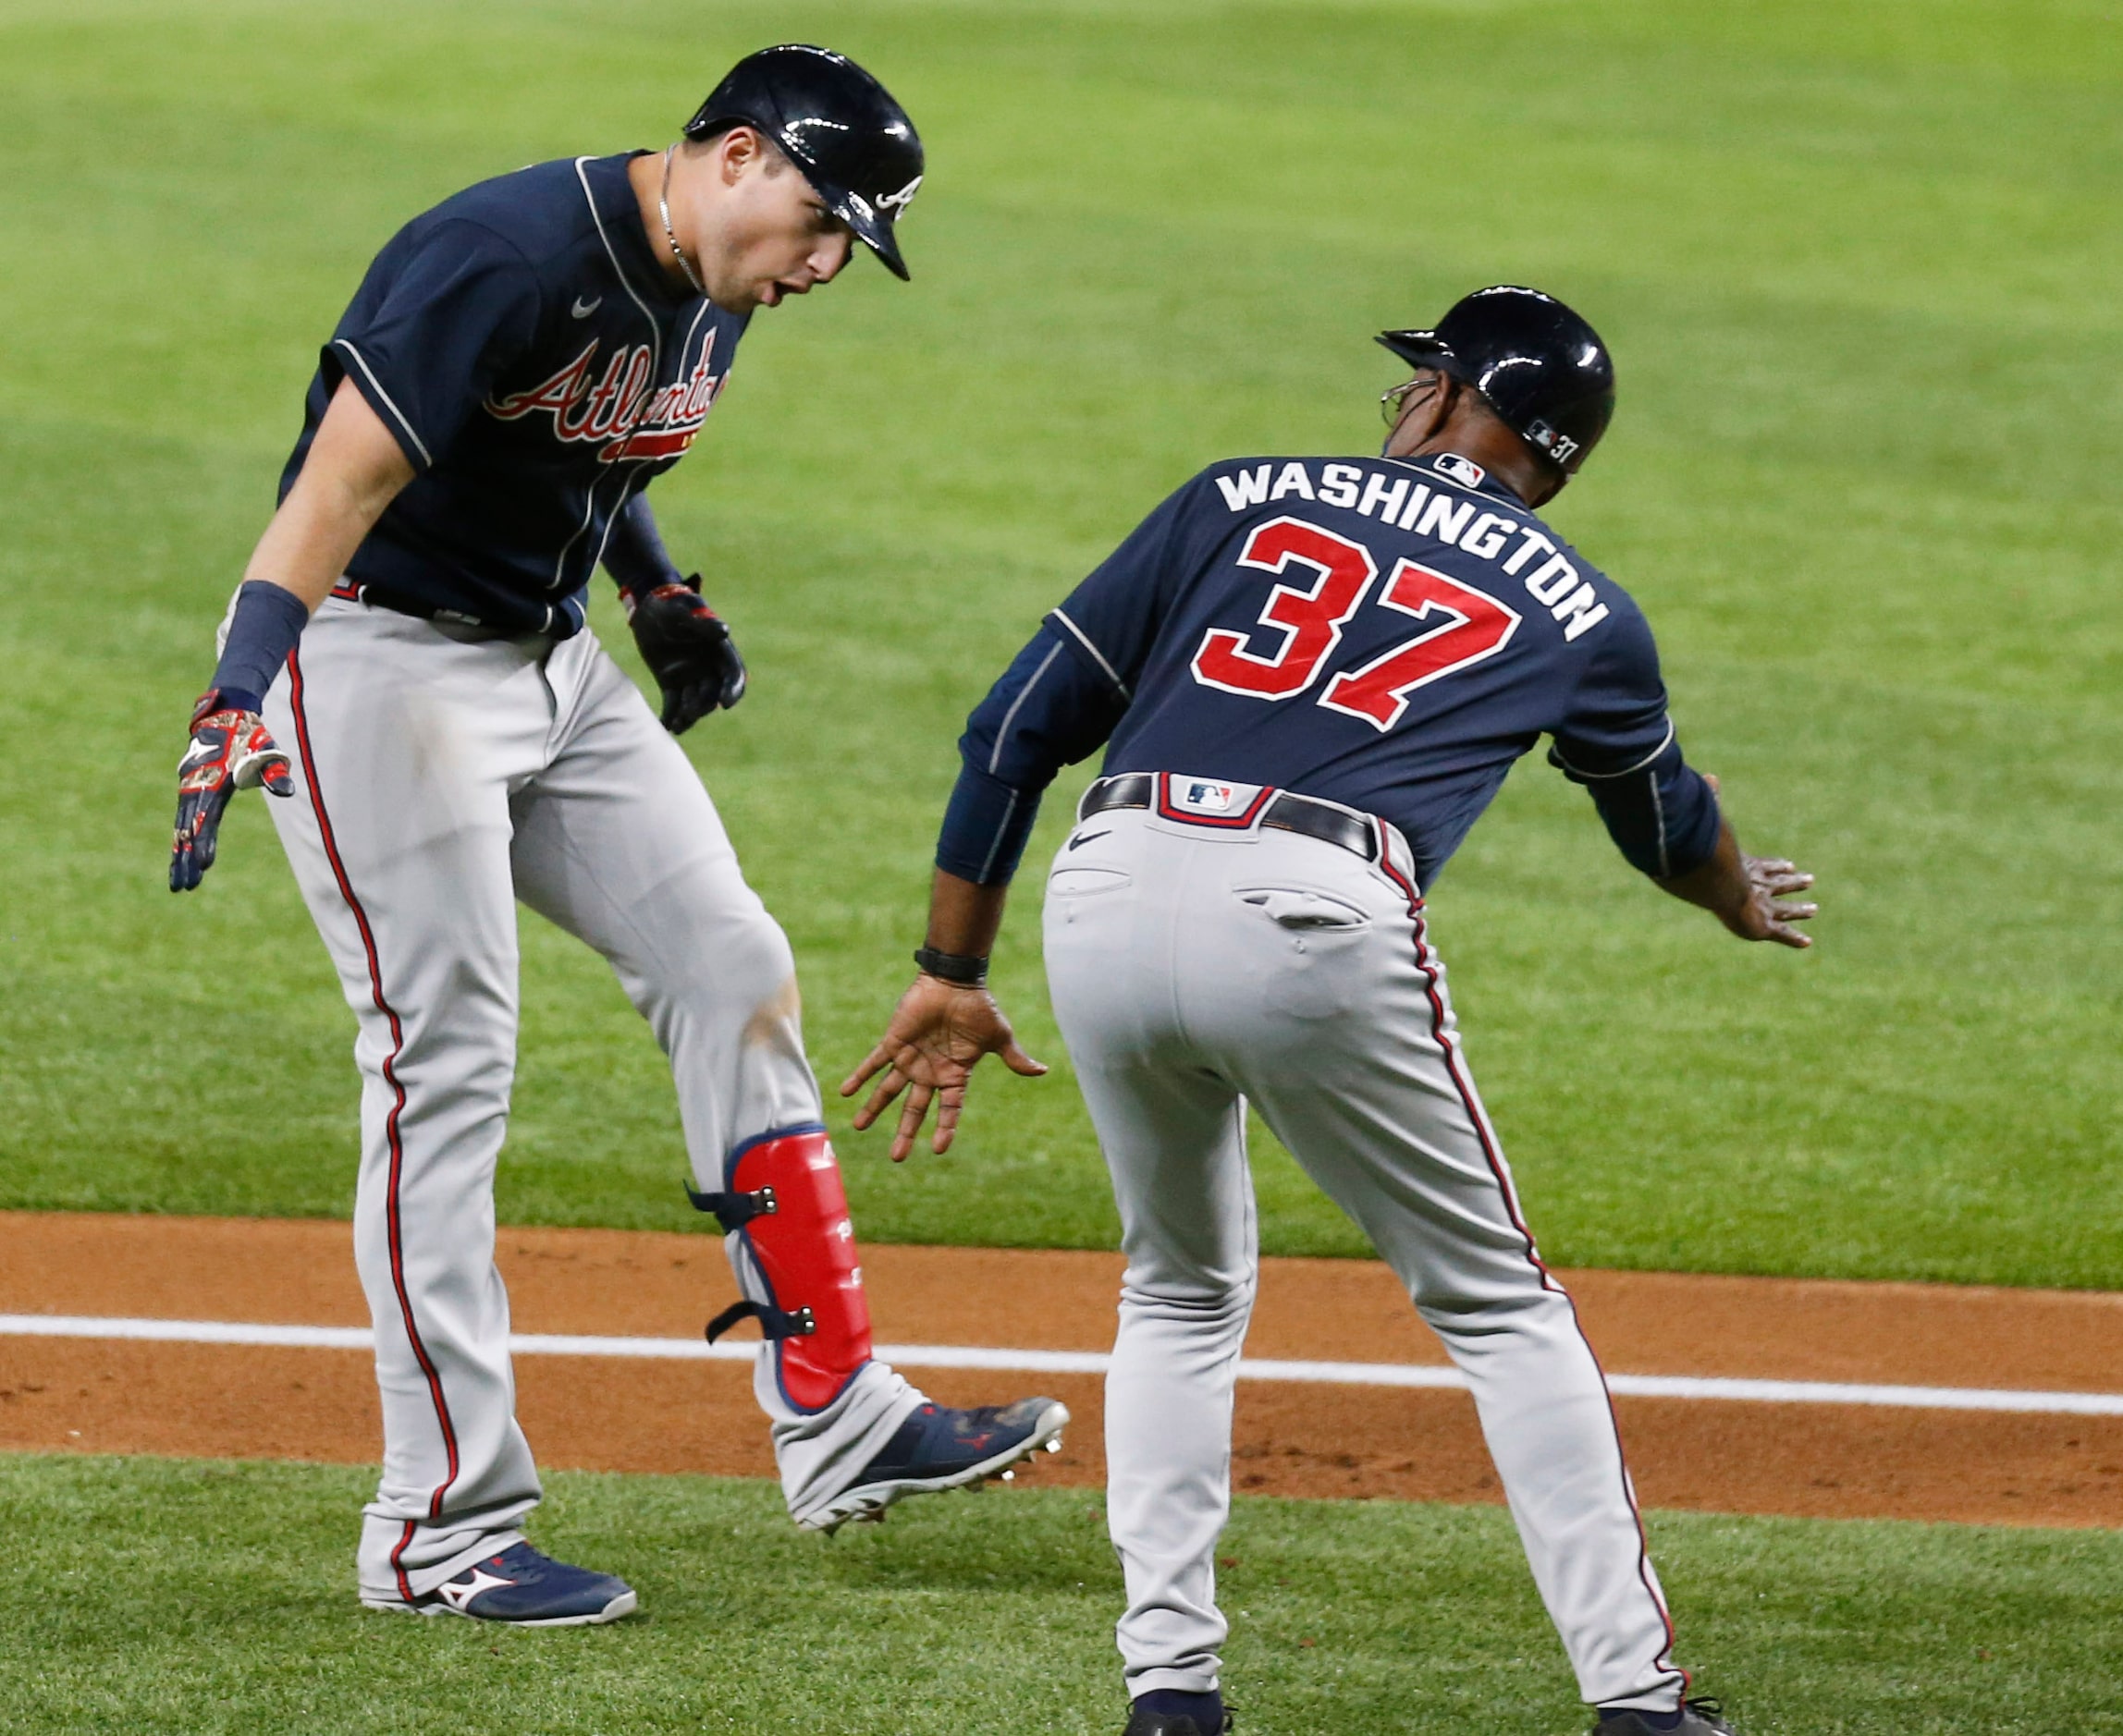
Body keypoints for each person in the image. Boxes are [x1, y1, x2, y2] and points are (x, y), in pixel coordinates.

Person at [166, 43, 1064, 1628]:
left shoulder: (718, 273)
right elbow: (339, 483)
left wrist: (655, 590)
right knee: (443, 1061)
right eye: (818, 221)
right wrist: (238, 689)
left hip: (550, 661)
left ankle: (841, 1412)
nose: (825, 264)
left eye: (849, 238)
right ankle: (436, 1527)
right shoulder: (503, 251)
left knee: (734, 963)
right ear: (730, 155)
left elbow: (601, 428)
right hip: (376, 665)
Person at [843, 286, 1815, 1734]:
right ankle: (1638, 1698)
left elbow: (1014, 726)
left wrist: (953, 967)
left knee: (1176, 1289)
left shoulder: (1241, 491)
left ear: (1453, 396)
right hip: (1315, 911)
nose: (1404, 396)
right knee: (1500, 1307)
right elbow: (1669, 826)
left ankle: (1171, 1690)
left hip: (1103, 888)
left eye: (1424, 373)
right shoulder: (1585, 610)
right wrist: (1734, 891)